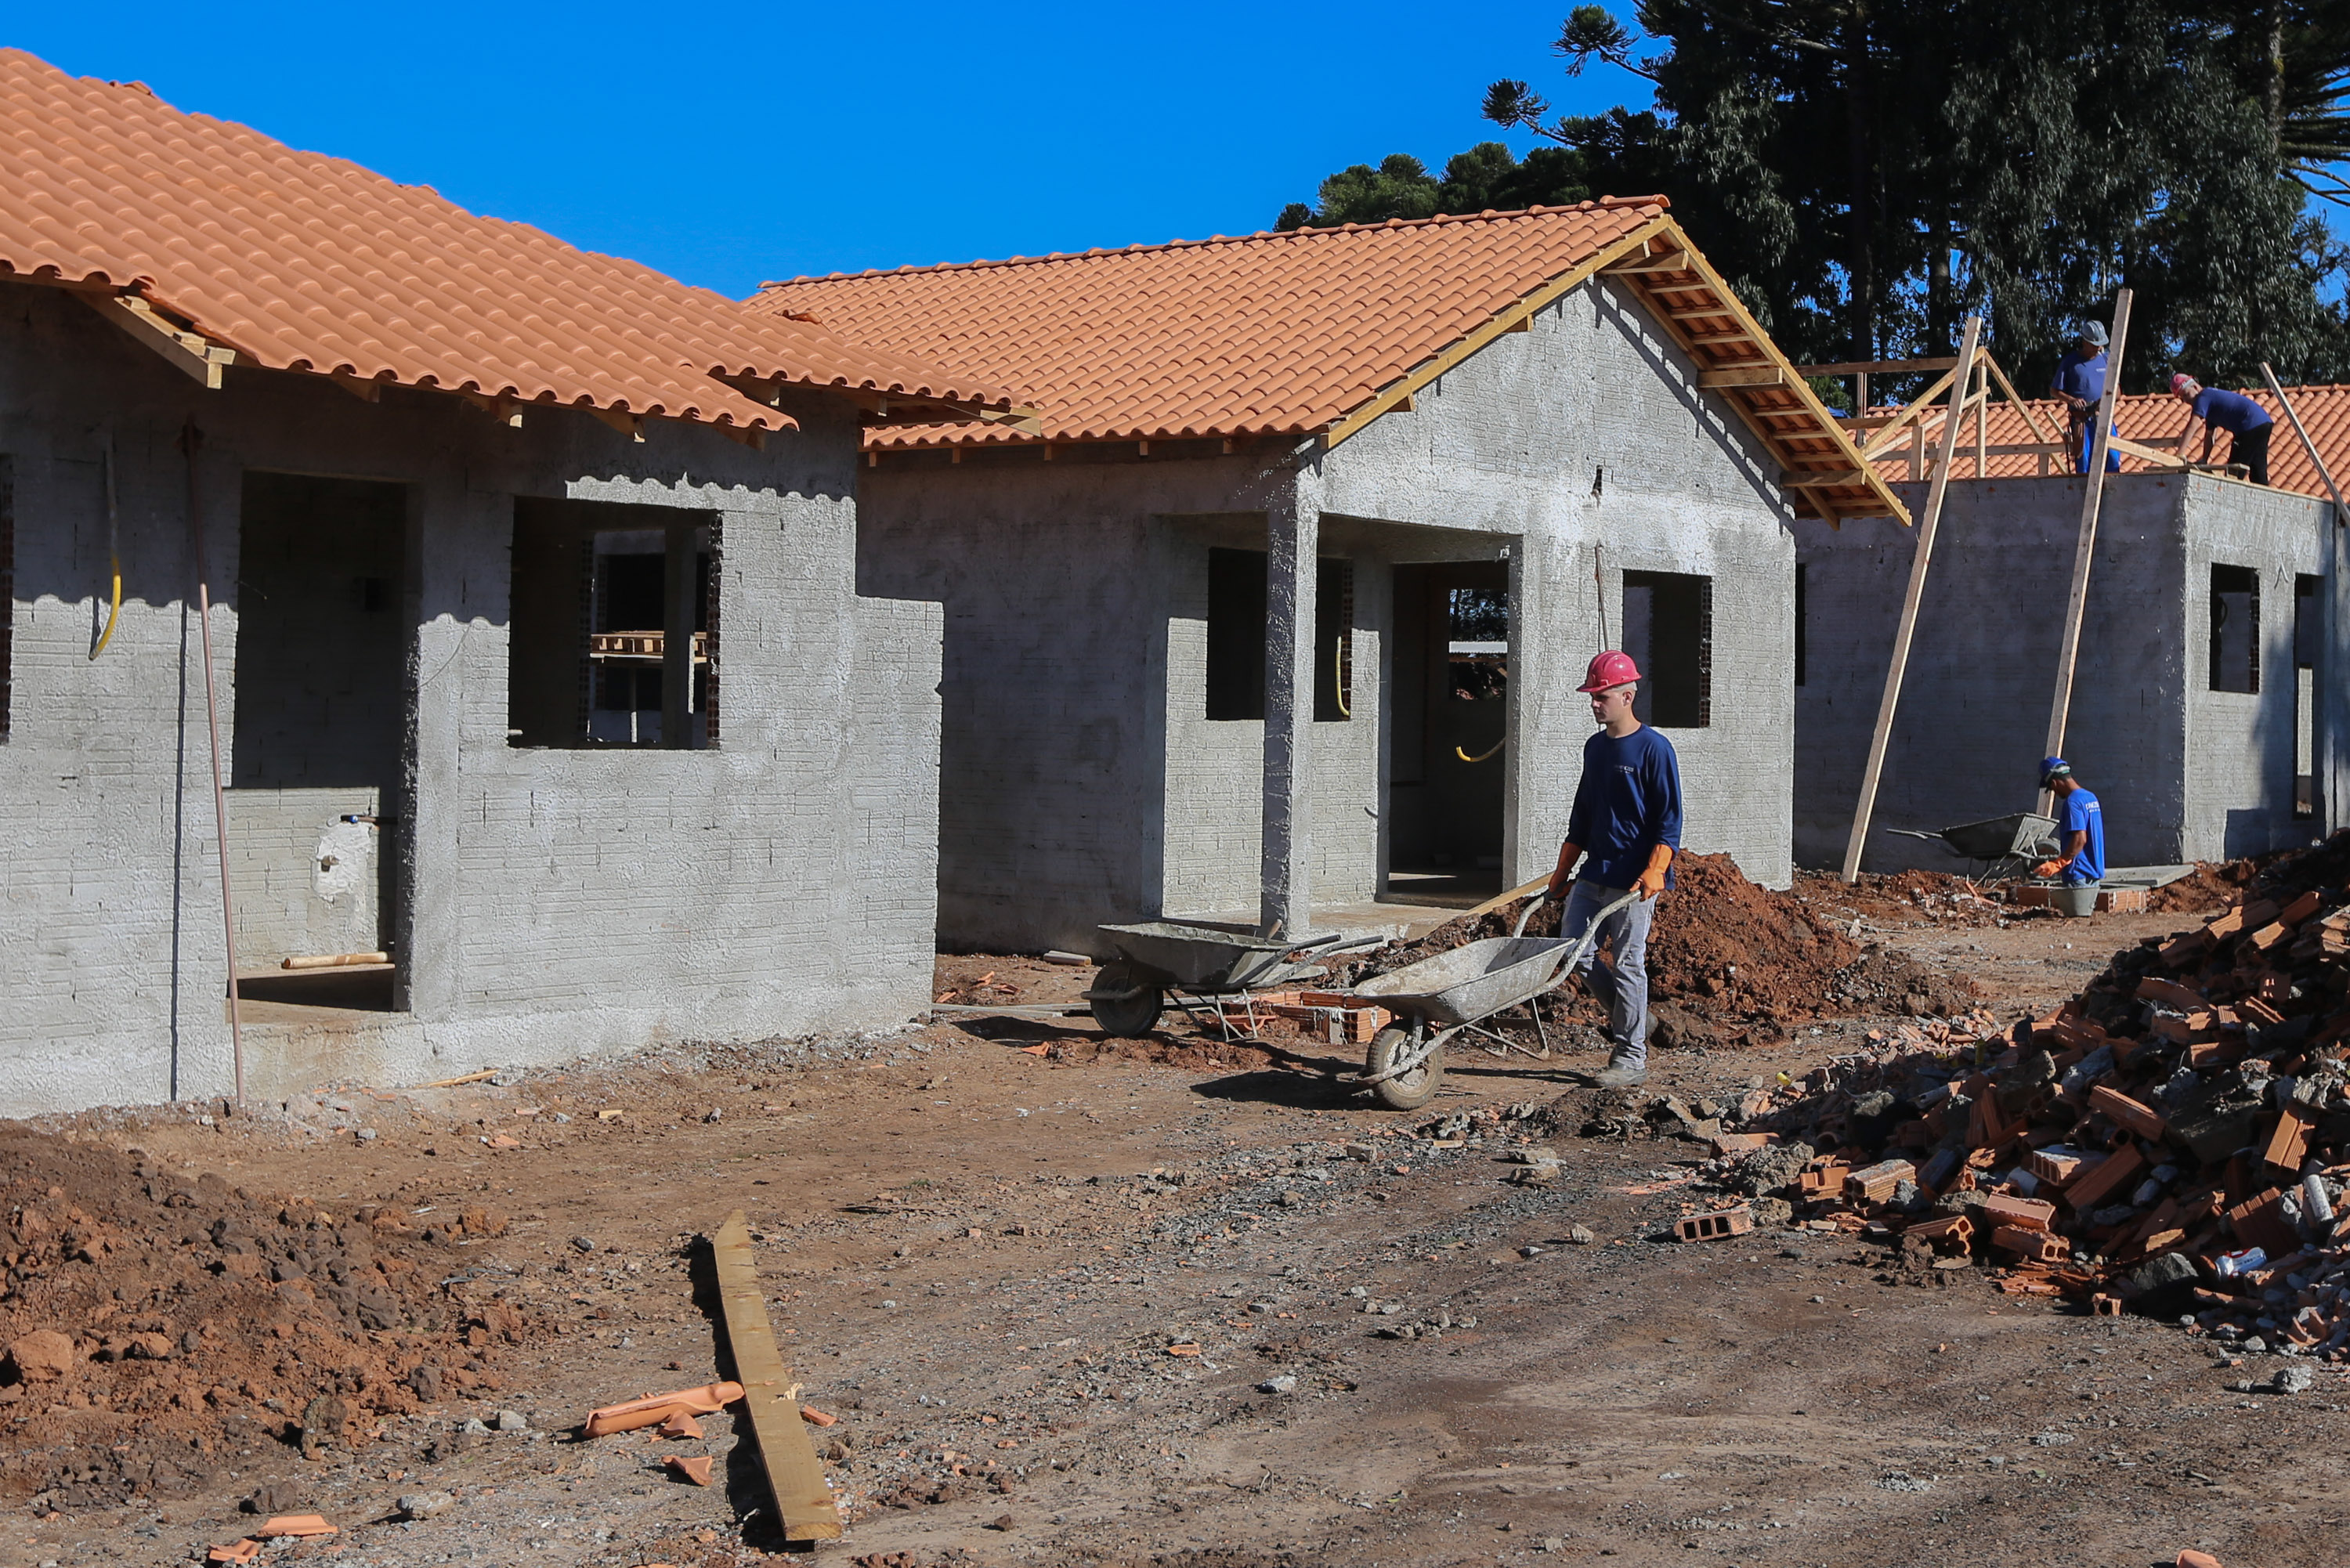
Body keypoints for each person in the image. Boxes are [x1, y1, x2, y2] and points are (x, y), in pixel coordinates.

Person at [1542, 650, 1683, 1088]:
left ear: (1628, 695)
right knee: (1572, 953)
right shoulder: (1595, 747)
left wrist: (1656, 869)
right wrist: (1563, 870)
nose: (1594, 702)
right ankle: (1636, 1018)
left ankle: (1631, 1057)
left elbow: (1669, 820)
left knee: (1627, 964)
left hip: (1634, 880)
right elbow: (1582, 814)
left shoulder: (1654, 749)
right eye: (1592, 695)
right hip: (1595, 871)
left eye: (1602, 695)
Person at [2169, 374, 2273, 486]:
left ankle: (2232, 499)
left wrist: (2180, 454)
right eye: (2182, 398)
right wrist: (2205, 459)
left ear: (2195, 387)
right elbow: (2210, 435)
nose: (2185, 400)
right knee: (2258, 471)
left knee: (2233, 471)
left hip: (2249, 426)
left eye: (2186, 394)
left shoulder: (2204, 396)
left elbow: (2193, 424)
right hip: (2264, 423)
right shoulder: (2210, 402)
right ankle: (2266, 501)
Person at [2051, 320, 2121, 475]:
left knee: (2113, 460)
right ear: (2084, 341)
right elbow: (2055, 391)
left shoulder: (2106, 360)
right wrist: (2072, 400)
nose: (2098, 348)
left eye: (2100, 345)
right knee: (2084, 465)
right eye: (2094, 345)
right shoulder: (2070, 362)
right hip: (2082, 422)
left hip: (2104, 419)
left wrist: (2106, 400)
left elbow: (2118, 392)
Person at [2033, 757, 2105, 889]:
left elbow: (2080, 839)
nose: (2054, 792)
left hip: (2078, 874)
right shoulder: (2090, 797)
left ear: (2054, 783)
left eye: (2052, 789)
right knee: (2086, 909)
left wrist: (2058, 864)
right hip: (2094, 874)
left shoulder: (2073, 802)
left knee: (2075, 910)